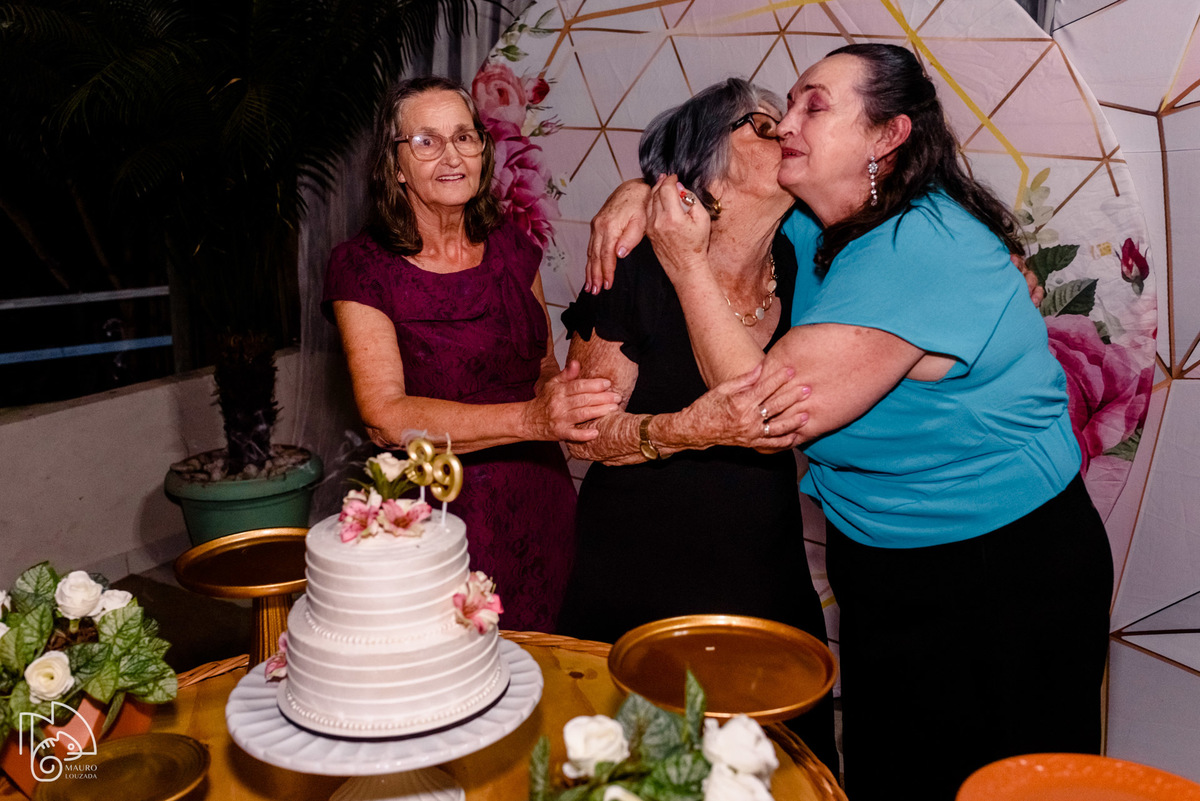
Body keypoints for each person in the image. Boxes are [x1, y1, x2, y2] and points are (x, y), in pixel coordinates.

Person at [632, 44, 1112, 801]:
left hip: (1004, 576)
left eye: (813, 107)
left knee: (1010, 786)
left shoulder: (920, 245)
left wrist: (685, 265)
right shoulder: (819, 223)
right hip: (884, 562)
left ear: (886, 137)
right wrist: (637, 192)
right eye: (784, 107)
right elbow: (725, 192)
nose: (786, 123)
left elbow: (760, 410)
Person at [556, 78, 837, 773]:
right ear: (708, 162)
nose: (789, 131)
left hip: (765, 564)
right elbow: (582, 433)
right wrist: (687, 428)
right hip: (641, 569)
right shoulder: (636, 265)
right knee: (641, 771)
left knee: (782, 768)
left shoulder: (799, 256)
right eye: (763, 124)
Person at [321, 76, 621, 632]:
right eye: (427, 142)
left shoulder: (512, 244)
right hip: (436, 512)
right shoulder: (361, 267)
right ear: (394, 165)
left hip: (541, 499)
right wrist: (532, 419)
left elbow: (541, 368)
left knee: (550, 669)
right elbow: (385, 417)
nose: (452, 155)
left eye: (465, 137)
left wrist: (569, 398)